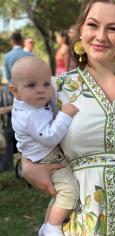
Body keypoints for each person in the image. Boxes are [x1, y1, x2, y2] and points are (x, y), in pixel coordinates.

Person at [21, 1, 115, 235]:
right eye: (93, 25)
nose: (101, 36)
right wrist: (27, 163)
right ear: (81, 30)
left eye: (113, 28)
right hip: (81, 221)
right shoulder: (58, 89)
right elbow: (26, 125)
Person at [9, 56, 80, 236]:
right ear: (15, 91)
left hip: (41, 155)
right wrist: (65, 115)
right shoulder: (30, 115)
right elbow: (49, 137)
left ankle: (46, 226)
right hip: (47, 156)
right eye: (32, 85)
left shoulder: (28, 103)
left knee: (60, 194)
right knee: (69, 192)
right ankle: (53, 227)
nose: (41, 90)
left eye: (46, 84)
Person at [1, 32, 32, 171]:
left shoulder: (6, 57)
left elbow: (7, 75)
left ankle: (12, 165)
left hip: (12, 90)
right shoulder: (29, 55)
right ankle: (27, 162)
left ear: (12, 41)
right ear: (21, 40)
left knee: (13, 124)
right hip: (28, 91)